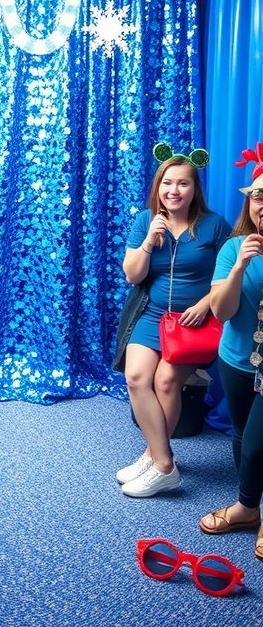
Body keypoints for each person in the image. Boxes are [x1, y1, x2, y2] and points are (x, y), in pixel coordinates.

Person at [114, 146, 230, 497]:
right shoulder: (146, 220)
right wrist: (150, 241)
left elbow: (229, 276)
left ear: (195, 189)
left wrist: (206, 303)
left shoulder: (214, 225)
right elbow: (133, 275)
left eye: (183, 183)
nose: (174, 190)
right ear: (158, 186)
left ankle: (157, 460)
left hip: (194, 324)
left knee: (166, 381)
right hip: (152, 316)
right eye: (168, 183)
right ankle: (162, 461)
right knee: (136, 378)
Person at [199, 152, 263, 561]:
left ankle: (246, 507)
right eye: (260, 199)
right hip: (237, 360)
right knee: (241, 437)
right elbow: (221, 312)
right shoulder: (234, 248)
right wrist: (240, 266)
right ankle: (249, 507)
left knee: (258, 446)